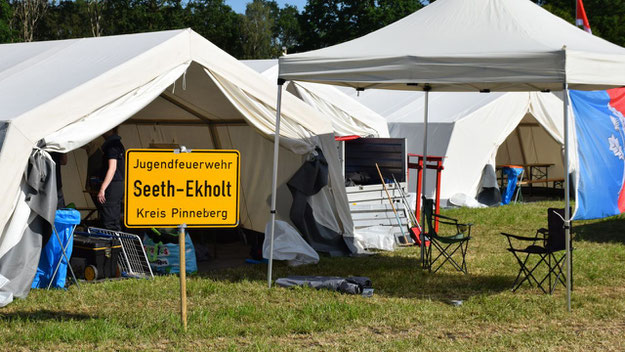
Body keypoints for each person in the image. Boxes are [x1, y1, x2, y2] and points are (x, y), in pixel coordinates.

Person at [97, 127, 125, 231]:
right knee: (114, 219)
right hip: (118, 184)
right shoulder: (118, 144)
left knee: (108, 221)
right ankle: (117, 245)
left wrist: (102, 189)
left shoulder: (112, 146)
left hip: (112, 185)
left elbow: (112, 168)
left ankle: (113, 246)